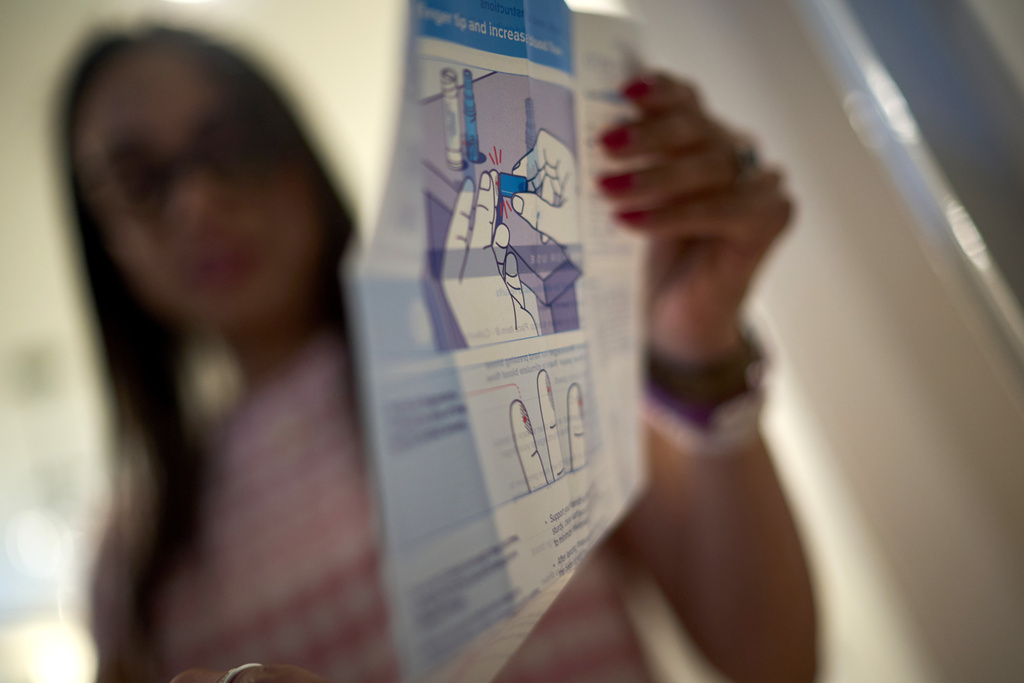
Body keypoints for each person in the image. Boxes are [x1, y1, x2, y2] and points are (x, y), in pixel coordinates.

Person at [63, 25, 816, 683]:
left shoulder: (496, 337)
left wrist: (696, 339)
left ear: (295, 154)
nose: (197, 201)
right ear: (105, 241)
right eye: (137, 179)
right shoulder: (129, 566)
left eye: (229, 144)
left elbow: (772, 657)